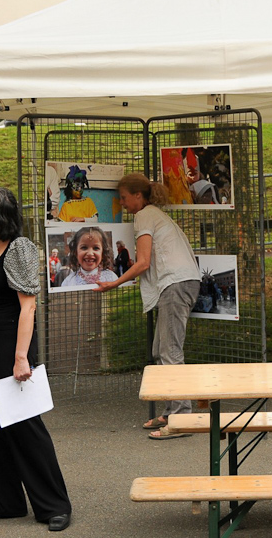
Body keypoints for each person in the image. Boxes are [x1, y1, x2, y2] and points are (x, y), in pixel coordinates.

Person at [0, 187, 72, 532]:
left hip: (14, 341)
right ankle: (4, 501)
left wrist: (21, 358)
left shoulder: (19, 248)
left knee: (24, 425)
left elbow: (27, 305)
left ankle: (53, 505)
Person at [94, 173, 201, 440]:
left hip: (175, 285)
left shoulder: (144, 216)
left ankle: (181, 418)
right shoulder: (152, 214)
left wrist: (113, 283)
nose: (123, 203)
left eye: (124, 198)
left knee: (169, 352)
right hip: (178, 284)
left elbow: (142, 263)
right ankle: (171, 410)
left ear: (138, 196)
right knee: (160, 350)